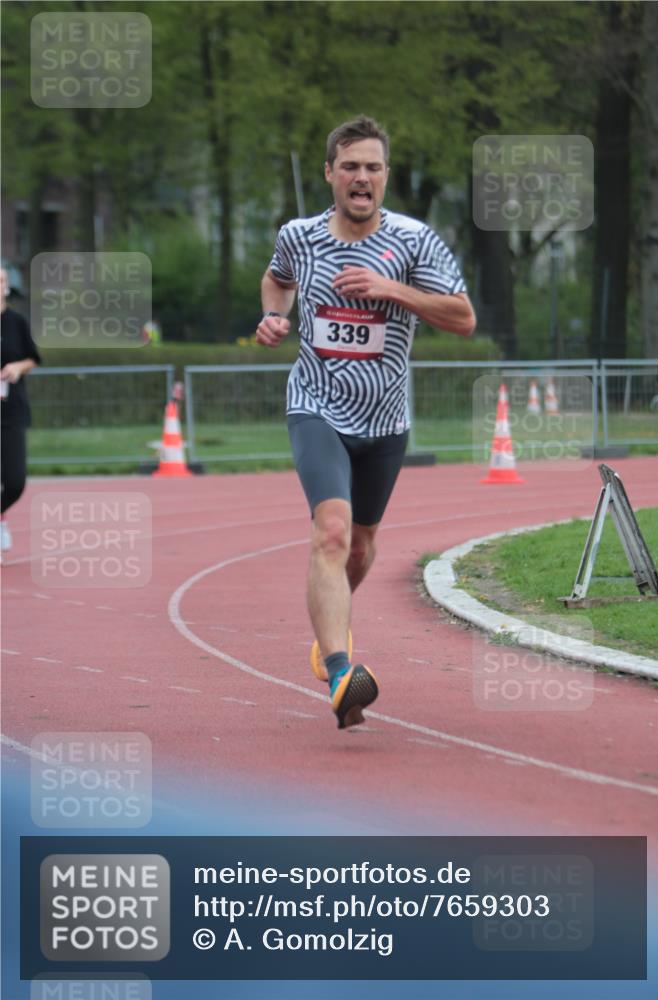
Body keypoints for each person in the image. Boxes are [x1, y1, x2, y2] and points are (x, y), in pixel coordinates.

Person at [256, 116, 475, 729]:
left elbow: (462, 317)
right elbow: (276, 282)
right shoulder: (299, 237)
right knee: (331, 530)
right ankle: (340, 670)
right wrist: (275, 317)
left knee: (360, 543)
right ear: (330, 173)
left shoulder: (413, 242)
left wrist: (392, 290)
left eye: (372, 167)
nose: (361, 177)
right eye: (349, 165)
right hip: (317, 405)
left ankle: (331, 634)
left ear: (385, 177)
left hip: (385, 417)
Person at [1, 267, 42, 553]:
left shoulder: (17, 322)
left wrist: (17, 367)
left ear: (6, 287)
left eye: (1, 280)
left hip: (12, 411)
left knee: (15, 481)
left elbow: (34, 358)